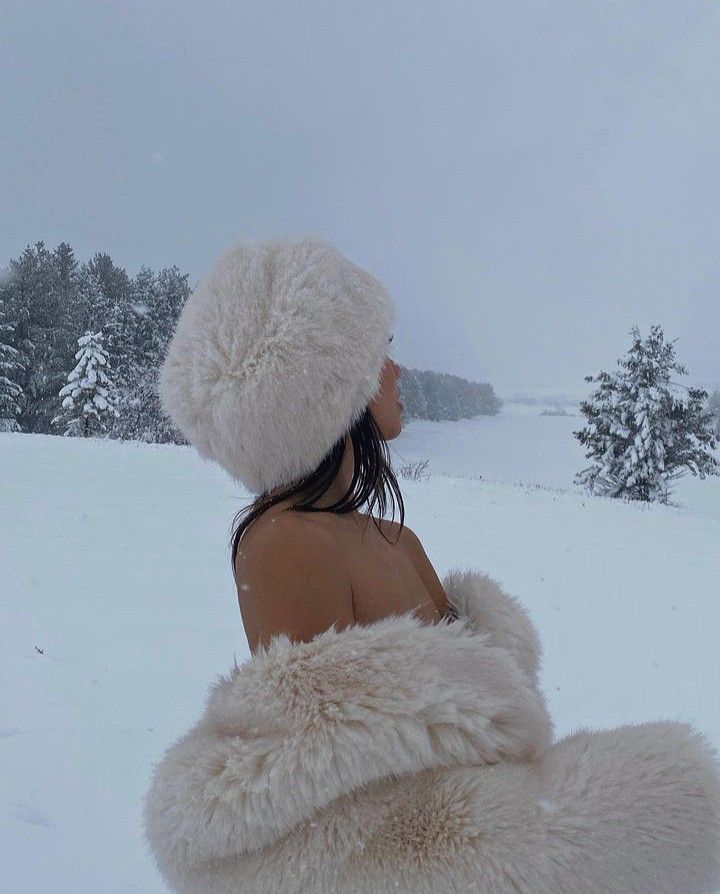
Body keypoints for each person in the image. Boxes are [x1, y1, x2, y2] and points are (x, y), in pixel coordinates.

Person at [144, 234, 720, 894]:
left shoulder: (395, 539)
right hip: (403, 855)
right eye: (382, 354)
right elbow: (317, 794)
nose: (399, 373)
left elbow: (454, 740)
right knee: (671, 794)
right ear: (326, 386)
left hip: (459, 822)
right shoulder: (286, 544)